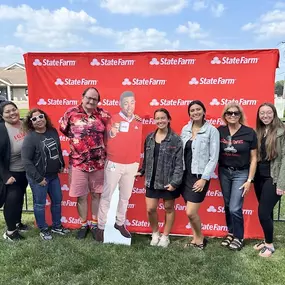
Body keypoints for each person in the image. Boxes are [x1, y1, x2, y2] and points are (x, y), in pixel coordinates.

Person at [60, 87, 110, 240]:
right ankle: (83, 224)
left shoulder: (104, 115)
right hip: (78, 163)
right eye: (88, 97)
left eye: (94, 99)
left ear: (98, 101)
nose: (91, 101)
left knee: (96, 195)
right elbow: (64, 130)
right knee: (81, 196)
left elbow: (116, 131)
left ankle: (94, 224)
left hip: (98, 164)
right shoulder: (70, 114)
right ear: (82, 97)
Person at [95, 91, 142, 242]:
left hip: (132, 165)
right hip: (114, 163)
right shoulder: (112, 119)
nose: (129, 106)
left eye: (132, 102)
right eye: (126, 102)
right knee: (107, 196)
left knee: (125, 197)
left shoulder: (138, 121)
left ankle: (119, 223)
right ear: (120, 104)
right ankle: (101, 227)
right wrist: (113, 133)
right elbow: (109, 135)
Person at [136, 108, 183, 248]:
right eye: (157, 118)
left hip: (168, 181)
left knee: (169, 208)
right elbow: (147, 159)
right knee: (150, 209)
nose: (160, 121)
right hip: (151, 180)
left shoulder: (175, 139)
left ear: (168, 119)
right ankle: (155, 233)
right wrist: (142, 171)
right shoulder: (149, 138)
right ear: (154, 120)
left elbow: (179, 164)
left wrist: (175, 182)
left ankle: (165, 236)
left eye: (163, 118)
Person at [22, 108, 69, 240]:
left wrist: (61, 165)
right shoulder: (30, 138)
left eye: (40, 116)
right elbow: (26, 161)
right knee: (39, 204)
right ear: (30, 123)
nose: (38, 120)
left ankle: (57, 226)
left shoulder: (52, 131)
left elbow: (58, 149)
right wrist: (38, 178)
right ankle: (43, 229)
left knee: (57, 201)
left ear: (45, 117)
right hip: (39, 178)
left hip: (54, 176)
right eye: (34, 119)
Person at [180, 100, 219, 250]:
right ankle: (196, 238)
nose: (195, 112)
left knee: (190, 212)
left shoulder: (212, 131)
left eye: (198, 109)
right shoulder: (185, 130)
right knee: (189, 211)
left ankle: (200, 238)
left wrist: (204, 178)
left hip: (199, 176)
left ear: (204, 111)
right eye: (192, 110)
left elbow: (213, 157)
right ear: (189, 113)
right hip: (185, 175)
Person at [218, 102, 257, 251]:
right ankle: (231, 232)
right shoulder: (219, 131)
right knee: (228, 205)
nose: (232, 115)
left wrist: (249, 180)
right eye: (229, 113)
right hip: (224, 171)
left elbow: (254, 158)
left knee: (235, 207)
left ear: (240, 115)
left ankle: (239, 237)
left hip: (241, 173)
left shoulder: (249, 132)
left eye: (236, 113)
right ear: (225, 115)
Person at [253, 103, 285, 257]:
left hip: (273, 178)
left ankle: (270, 246)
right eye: (262, 113)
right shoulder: (259, 131)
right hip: (259, 177)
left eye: (268, 113)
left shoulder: (282, 132)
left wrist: (282, 183)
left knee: (263, 212)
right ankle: (266, 239)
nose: (265, 116)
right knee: (267, 212)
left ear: (274, 113)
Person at [0, 101, 29, 241]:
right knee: (12, 200)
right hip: (12, 173)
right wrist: (6, 175)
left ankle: (17, 223)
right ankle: (10, 232)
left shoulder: (24, 124)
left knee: (20, 198)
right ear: (2, 115)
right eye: (7, 112)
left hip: (26, 171)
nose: (12, 113)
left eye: (14, 109)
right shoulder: (2, 129)